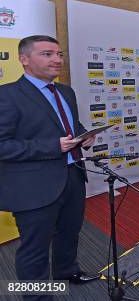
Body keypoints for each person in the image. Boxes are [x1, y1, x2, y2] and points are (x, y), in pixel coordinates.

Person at [0, 35, 99, 300]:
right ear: (24, 59)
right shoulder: (7, 95)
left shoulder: (66, 91)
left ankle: (68, 273)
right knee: (35, 250)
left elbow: (70, 128)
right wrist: (52, 146)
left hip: (73, 177)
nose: (57, 59)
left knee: (70, 233)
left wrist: (85, 136)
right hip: (33, 187)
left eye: (59, 54)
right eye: (47, 54)